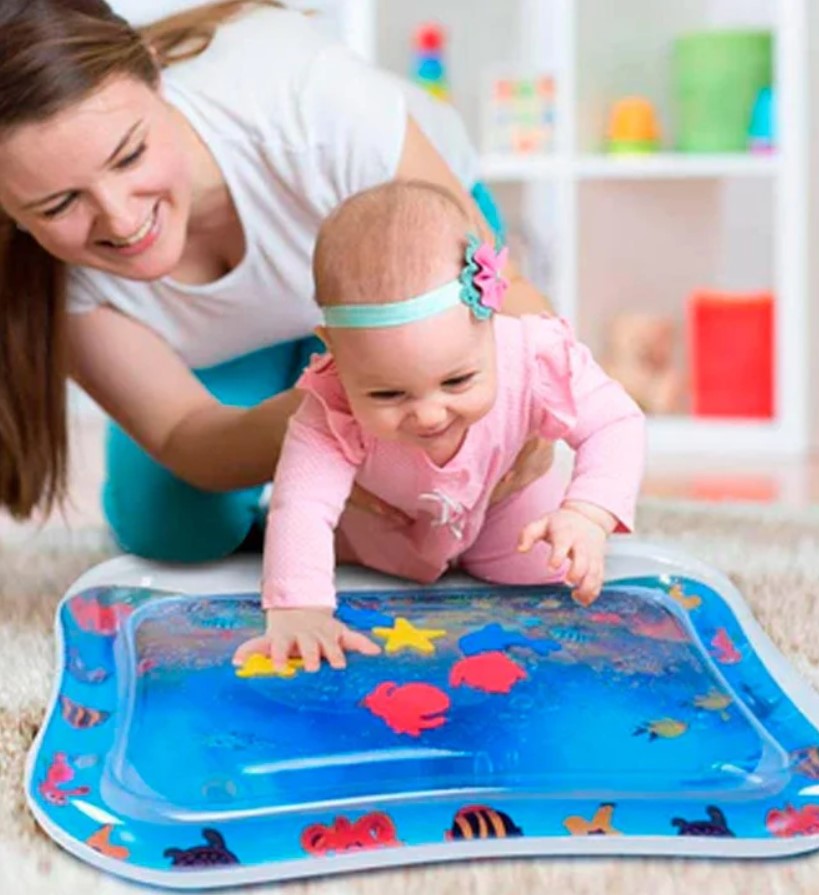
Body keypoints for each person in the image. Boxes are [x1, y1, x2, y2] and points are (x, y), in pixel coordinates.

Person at [0, 0, 552, 560]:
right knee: (172, 531)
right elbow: (185, 434)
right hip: (244, 343)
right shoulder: (46, 274)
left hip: (406, 263)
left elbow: (515, 301)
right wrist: (325, 432)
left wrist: (527, 417)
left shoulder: (302, 95)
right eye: (59, 204)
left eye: (129, 155)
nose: (120, 219)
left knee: (486, 515)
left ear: (155, 73)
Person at [233, 180, 646, 673]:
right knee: (336, 565)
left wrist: (587, 513)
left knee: (553, 574)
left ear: (492, 319)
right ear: (335, 352)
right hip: (384, 525)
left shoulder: (534, 356)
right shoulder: (333, 405)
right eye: (387, 393)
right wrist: (300, 608)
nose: (429, 415)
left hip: (505, 503)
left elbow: (615, 422)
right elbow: (302, 502)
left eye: (457, 380)